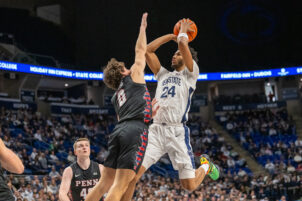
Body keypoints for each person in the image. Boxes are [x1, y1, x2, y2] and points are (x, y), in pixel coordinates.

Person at [121, 18, 220, 200]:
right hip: (156, 130)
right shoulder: (163, 74)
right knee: (132, 175)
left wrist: (182, 31)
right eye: (174, 54)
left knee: (189, 186)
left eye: (178, 54)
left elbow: (183, 43)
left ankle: (206, 166)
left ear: (188, 58)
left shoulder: (191, 74)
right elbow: (148, 51)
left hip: (177, 132)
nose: (174, 56)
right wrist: (170, 36)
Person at [85, 13, 158, 201]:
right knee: (120, 184)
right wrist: (143, 28)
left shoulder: (116, 97)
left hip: (119, 130)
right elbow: (140, 50)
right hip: (135, 129)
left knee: (104, 183)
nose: (129, 66)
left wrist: (147, 114)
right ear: (122, 71)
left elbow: (124, 117)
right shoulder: (133, 75)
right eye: (126, 66)